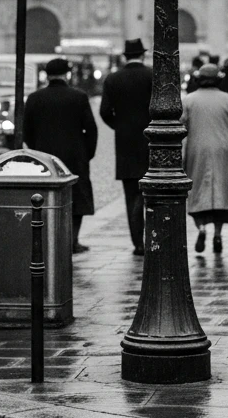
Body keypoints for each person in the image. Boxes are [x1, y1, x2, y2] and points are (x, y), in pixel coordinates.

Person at [23, 58, 99, 254]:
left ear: (47, 75)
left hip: (44, 157)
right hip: (75, 155)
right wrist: (86, 153)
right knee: (77, 198)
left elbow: (26, 131)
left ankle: (49, 239)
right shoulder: (79, 97)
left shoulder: (34, 98)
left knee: (45, 197)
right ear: (67, 74)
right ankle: (73, 241)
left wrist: (36, 150)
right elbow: (91, 129)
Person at [180, 64, 228, 255]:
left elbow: (180, 124)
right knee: (222, 193)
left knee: (196, 190)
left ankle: (201, 229)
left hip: (197, 149)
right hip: (224, 150)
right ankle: (218, 234)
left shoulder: (189, 100)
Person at [99, 38, 153, 256]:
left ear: (125, 56)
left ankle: (137, 243)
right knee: (153, 193)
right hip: (152, 140)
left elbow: (104, 112)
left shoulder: (113, 79)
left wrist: (119, 126)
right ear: (143, 55)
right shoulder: (152, 76)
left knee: (131, 194)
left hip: (125, 143)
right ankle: (152, 238)